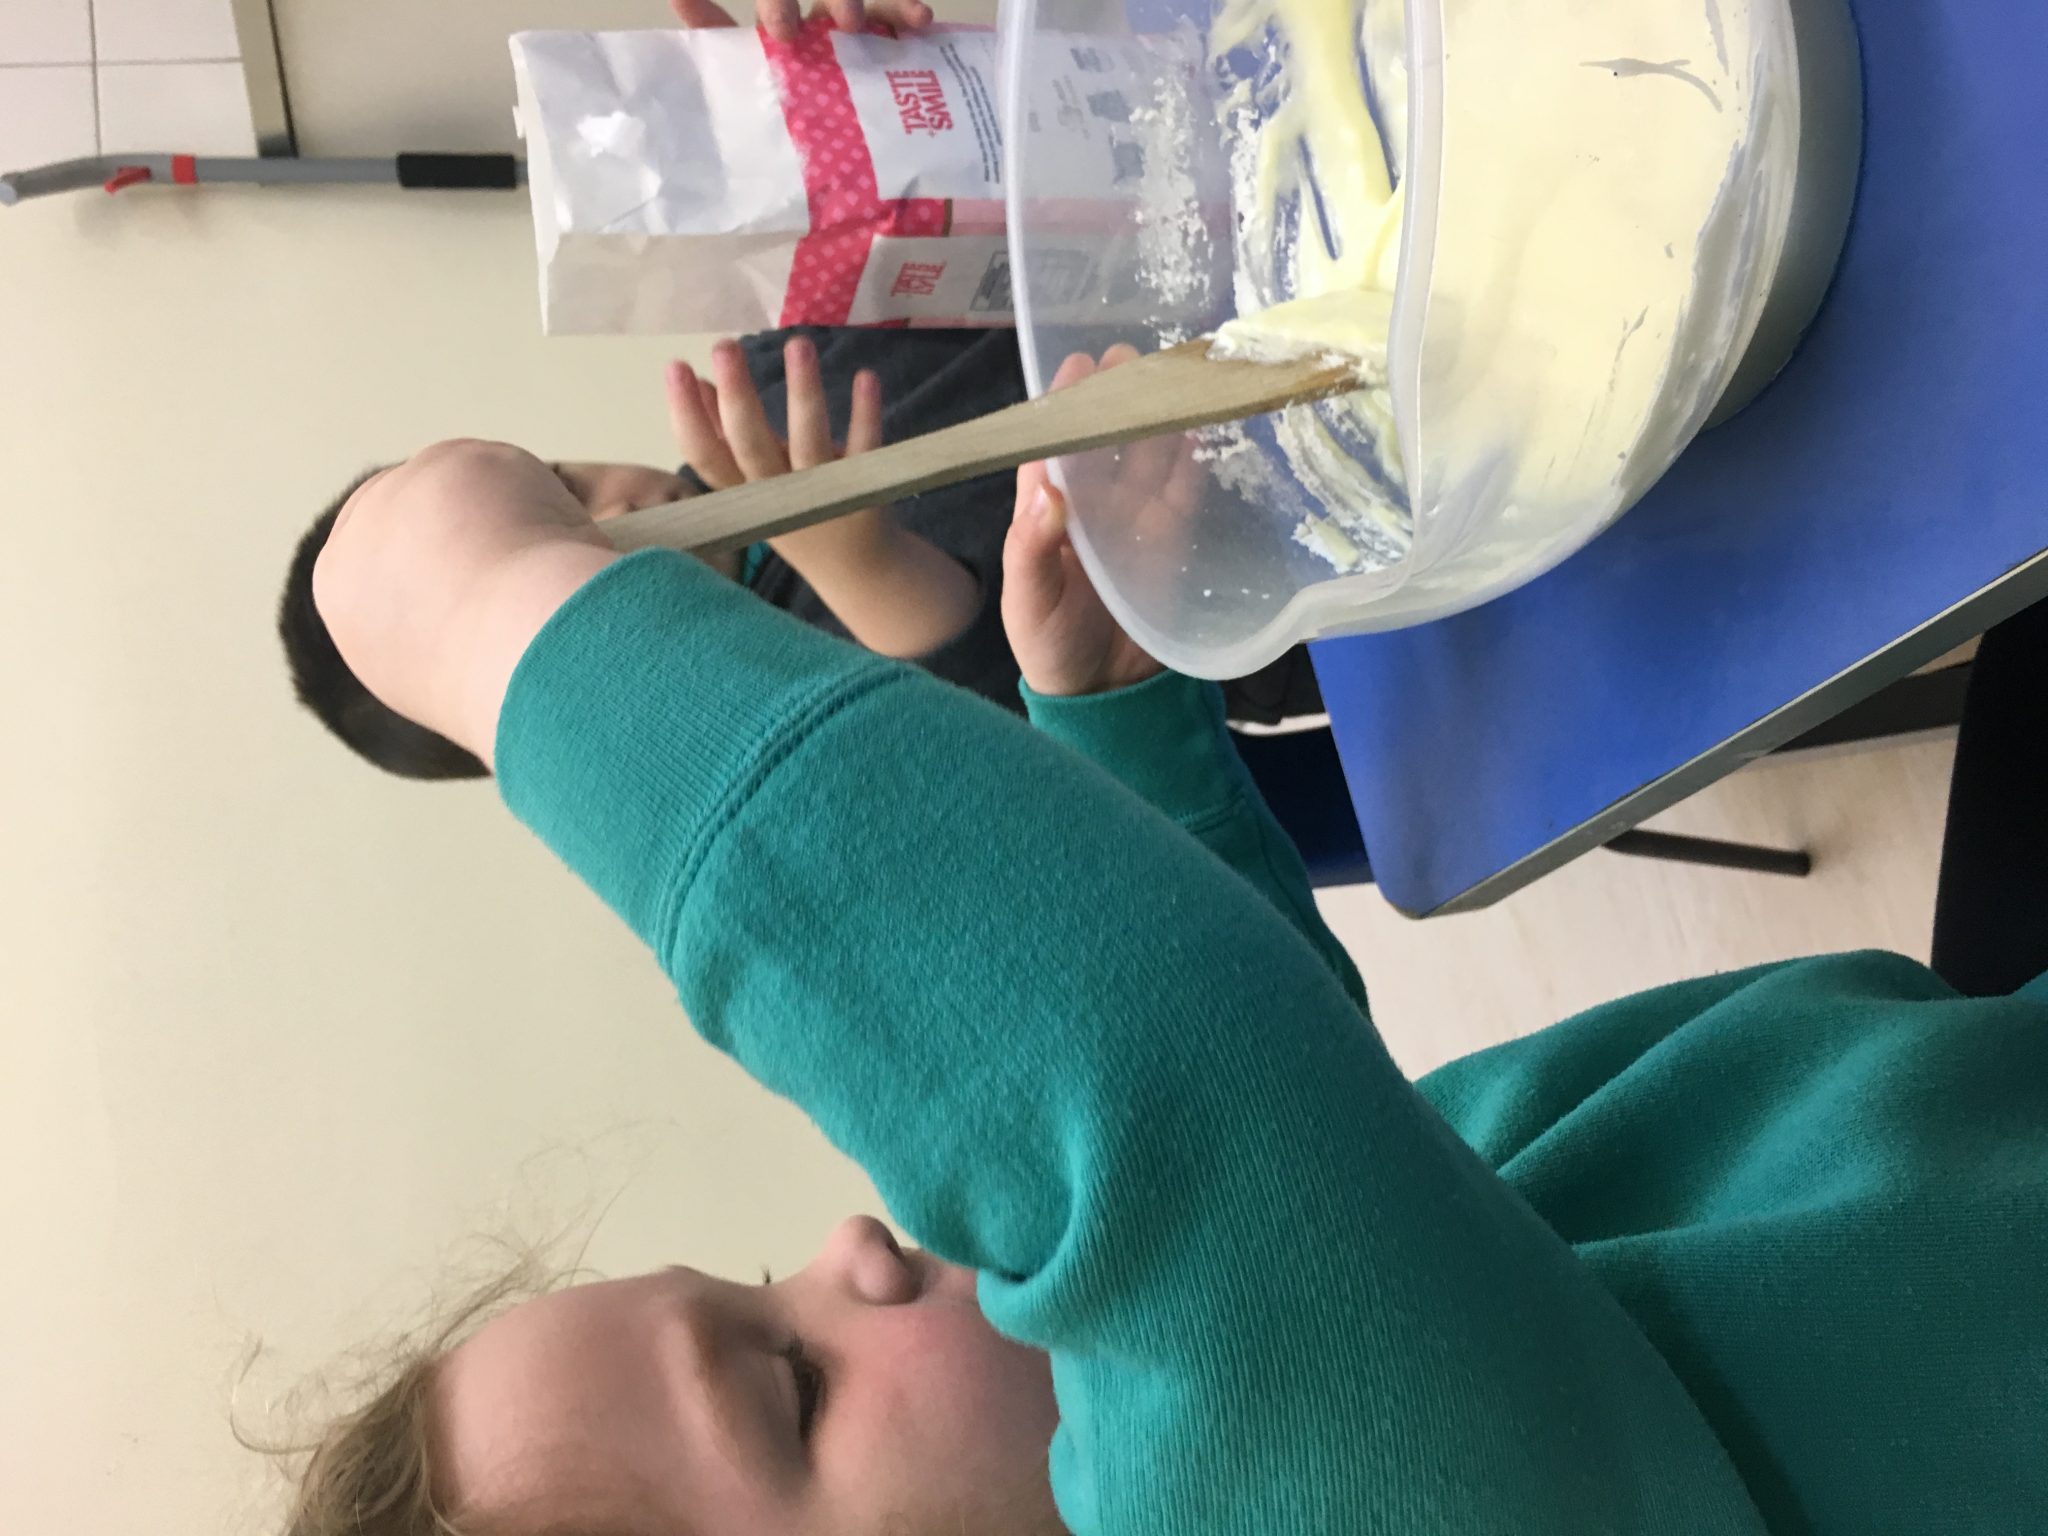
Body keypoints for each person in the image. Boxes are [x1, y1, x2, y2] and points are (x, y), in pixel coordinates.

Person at [283, 333, 2048, 1536]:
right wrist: (489, 617)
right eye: (789, 1386)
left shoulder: (1255, 1422)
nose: (848, 1247)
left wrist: (1117, 711)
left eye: (757, 1285)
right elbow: (1180, 1122)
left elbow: (1331, 1178)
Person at [280, 328, 1321, 778]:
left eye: (565, 487)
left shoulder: (768, 387)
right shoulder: (808, 704)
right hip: (1322, 594)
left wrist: (840, 106)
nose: (617, 510)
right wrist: (852, 553)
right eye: (566, 562)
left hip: (1273, 329)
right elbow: (1027, 722)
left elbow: (974, 242)